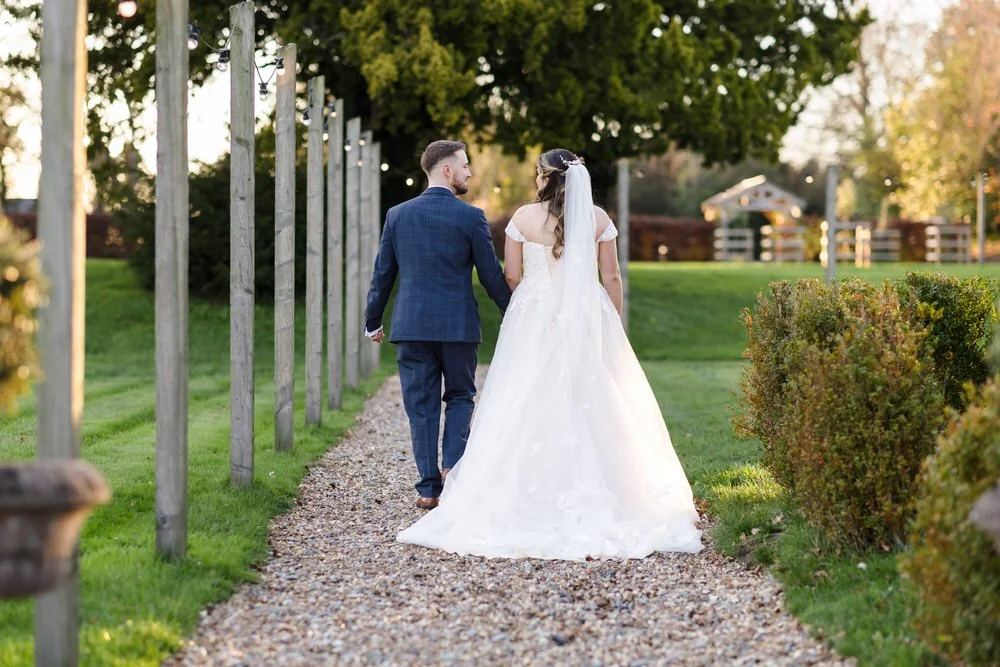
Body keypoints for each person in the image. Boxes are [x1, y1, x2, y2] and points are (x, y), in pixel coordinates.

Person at [395, 148, 703, 560]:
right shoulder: (597, 218)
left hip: (534, 316)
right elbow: (611, 275)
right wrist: (608, 321)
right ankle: (617, 493)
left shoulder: (522, 218)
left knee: (524, 394)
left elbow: (512, 276)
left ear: (544, 177)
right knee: (594, 398)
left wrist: (530, 301)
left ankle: (519, 490)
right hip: (584, 312)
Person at [364, 140, 511, 510]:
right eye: (464, 165)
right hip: (458, 327)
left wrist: (373, 320)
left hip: (411, 326)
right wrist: (515, 312)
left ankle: (428, 489)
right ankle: (453, 471)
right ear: (446, 169)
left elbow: (384, 274)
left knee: (421, 406)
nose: (469, 172)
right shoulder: (471, 217)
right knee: (460, 396)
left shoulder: (398, 215)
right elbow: (492, 275)